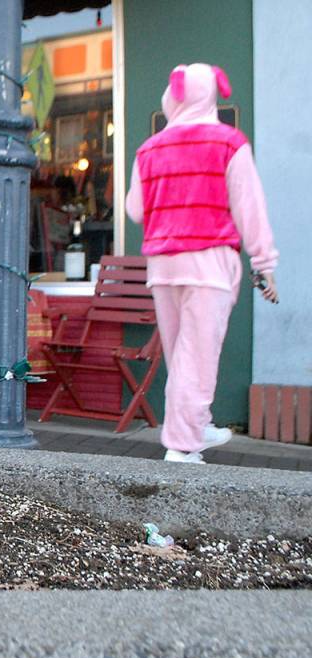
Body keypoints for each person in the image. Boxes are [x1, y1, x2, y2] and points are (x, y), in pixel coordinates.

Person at [126, 63, 279, 464]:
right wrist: (264, 263)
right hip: (209, 261)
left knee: (182, 353)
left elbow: (135, 210)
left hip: (162, 264)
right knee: (199, 355)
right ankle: (182, 446)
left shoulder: (149, 148)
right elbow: (251, 209)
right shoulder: (229, 142)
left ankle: (197, 424)